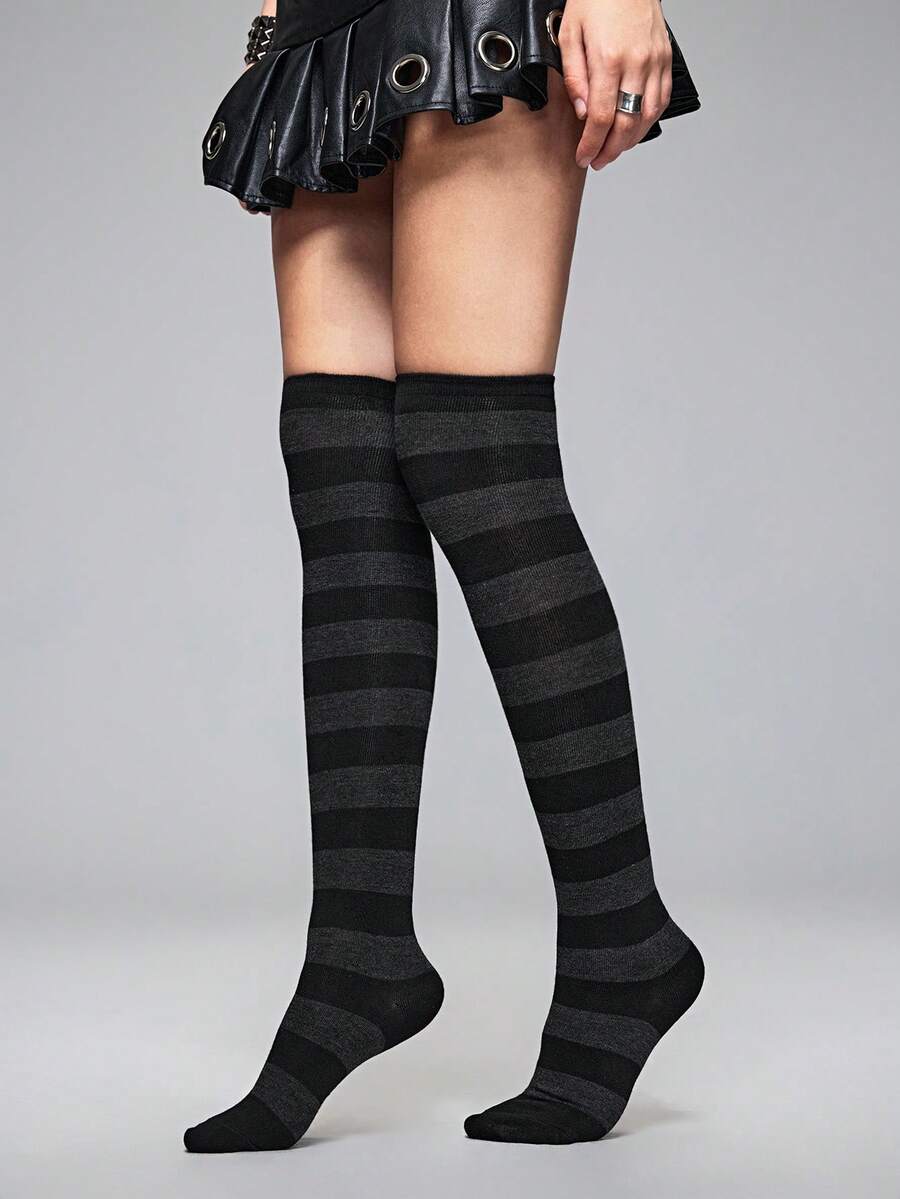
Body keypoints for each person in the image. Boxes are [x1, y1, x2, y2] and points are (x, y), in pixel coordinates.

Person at [185, 0, 704, 1152]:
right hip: (328, 17)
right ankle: (357, 947)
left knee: (475, 455)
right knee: (341, 462)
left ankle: (623, 940)